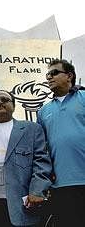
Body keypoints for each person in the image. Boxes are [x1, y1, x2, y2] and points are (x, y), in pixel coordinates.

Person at [0, 90, 52, 227]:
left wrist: (37, 191)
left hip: (23, 205)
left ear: (13, 106)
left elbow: (42, 163)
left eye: (4, 99)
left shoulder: (32, 129)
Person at [37, 58, 85, 227]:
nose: (49, 77)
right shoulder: (43, 111)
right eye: (47, 74)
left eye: (54, 73)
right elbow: (42, 150)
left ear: (69, 76)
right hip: (60, 185)